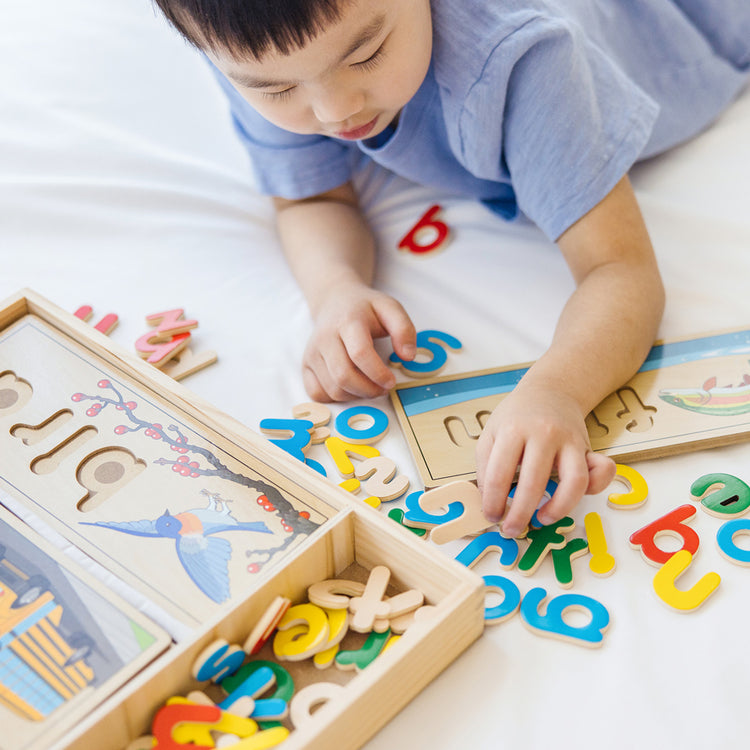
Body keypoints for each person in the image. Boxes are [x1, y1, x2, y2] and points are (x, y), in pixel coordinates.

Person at [153, 0, 749, 537]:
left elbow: (620, 271)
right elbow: (312, 198)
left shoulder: (529, 57)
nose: (336, 109)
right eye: (277, 92)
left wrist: (556, 391)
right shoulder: (258, 42)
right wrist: (336, 288)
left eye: (367, 53)